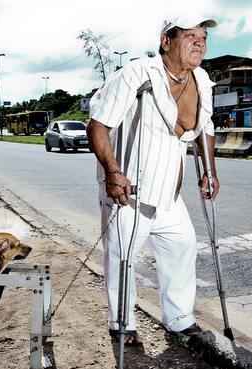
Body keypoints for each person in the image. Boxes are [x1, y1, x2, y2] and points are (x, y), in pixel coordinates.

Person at [87, 14, 220, 345]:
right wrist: (113, 173)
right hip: (129, 192)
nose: (199, 42)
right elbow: (98, 125)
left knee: (182, 248)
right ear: (166, 41)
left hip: (170, 195)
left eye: (203, 37)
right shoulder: (137, 74)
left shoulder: (202, 80)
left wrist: (210, 171)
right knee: (122, 258)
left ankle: (178, 319)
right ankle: (122, 323)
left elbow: (206, 130)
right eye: (190, 36)